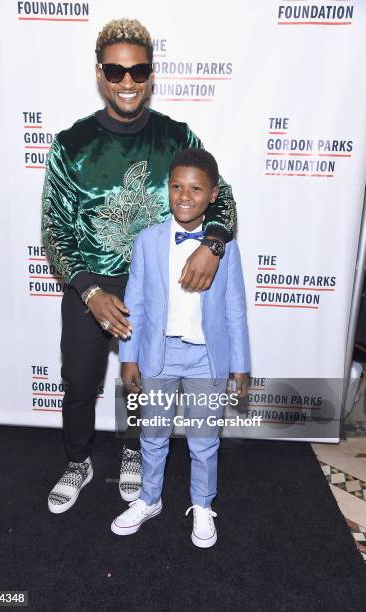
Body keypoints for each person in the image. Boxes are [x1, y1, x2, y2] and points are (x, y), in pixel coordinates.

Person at [42, 18, 237, 514]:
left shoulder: (176, 135)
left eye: (138, 70)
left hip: (159, 286)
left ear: (151, 75)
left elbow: (223, 196)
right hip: (92, 285)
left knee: (141, 379)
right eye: (115, 70)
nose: (127, 81)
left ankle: (133, 450)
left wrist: (211, 243)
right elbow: (54, 229)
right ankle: (78, 460)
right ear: (100, 74)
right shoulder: (70, 144)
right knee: (81, 380)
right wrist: (88, 290)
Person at [111, 148, 250, 547]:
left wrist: (240, 365)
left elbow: (234, 310)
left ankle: (202, 505)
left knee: (204, 440)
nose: (184, 196)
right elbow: (134, 303)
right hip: (158, 355)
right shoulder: (148, 241)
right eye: (176, 187)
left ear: (212, 194)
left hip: (207, 358)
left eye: (195, 188)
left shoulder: (225, 248)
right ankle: (149, 499)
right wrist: (129, 356)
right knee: (152, 434)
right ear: (167, 189)